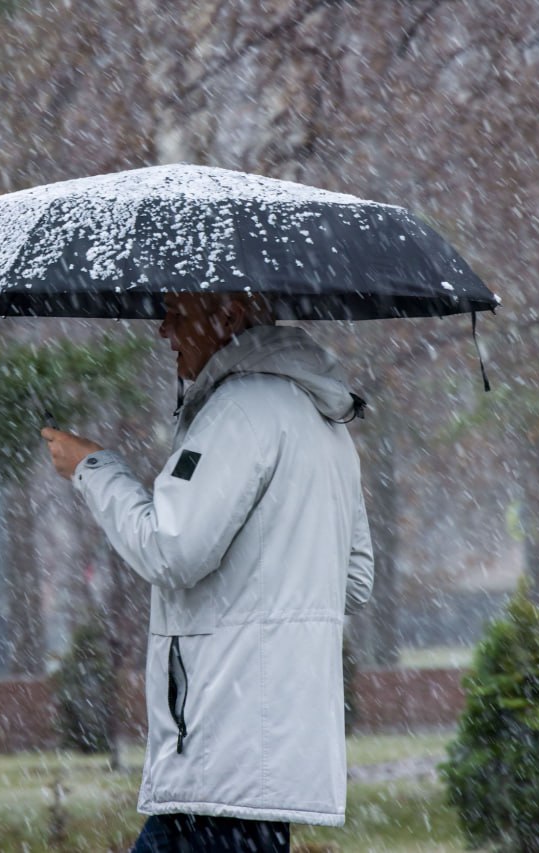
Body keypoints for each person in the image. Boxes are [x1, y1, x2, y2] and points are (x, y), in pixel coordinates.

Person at [43, 291, 375, 852]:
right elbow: (355, 579)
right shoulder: (322, 417)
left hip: (221, 754)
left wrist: (93, 468)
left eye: (178, 313)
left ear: (228, 314)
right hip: (272, 759)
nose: (163, 330)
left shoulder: (239, 412)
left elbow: (169, 551)